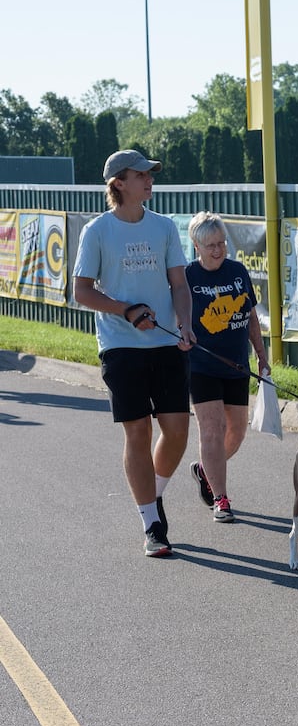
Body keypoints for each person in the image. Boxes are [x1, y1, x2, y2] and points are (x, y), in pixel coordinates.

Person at [72, 149, 196, 557]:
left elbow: (179, 284)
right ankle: (152, 524)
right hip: (120, 344)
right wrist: (125, 310)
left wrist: (185, 324)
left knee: (177, 431)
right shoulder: (97, 231)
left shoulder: (163, 228)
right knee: (138, 430)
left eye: (151, 174)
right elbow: (83, 291)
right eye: (141, 175)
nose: (150, 180)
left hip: (165, 342)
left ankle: (153, 494)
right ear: (118, 184)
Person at [184, 212, 269, 524]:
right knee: (212, 428)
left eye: (221, 243)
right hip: (201, 364)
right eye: (210, 245)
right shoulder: (187, 275)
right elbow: (175, 315)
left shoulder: (237, 272)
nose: (218, 250)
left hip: (236, 363)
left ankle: (205, 469)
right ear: (196, 245)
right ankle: (221, 498)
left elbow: (250, 316)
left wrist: (261, 354)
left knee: (237, 431)